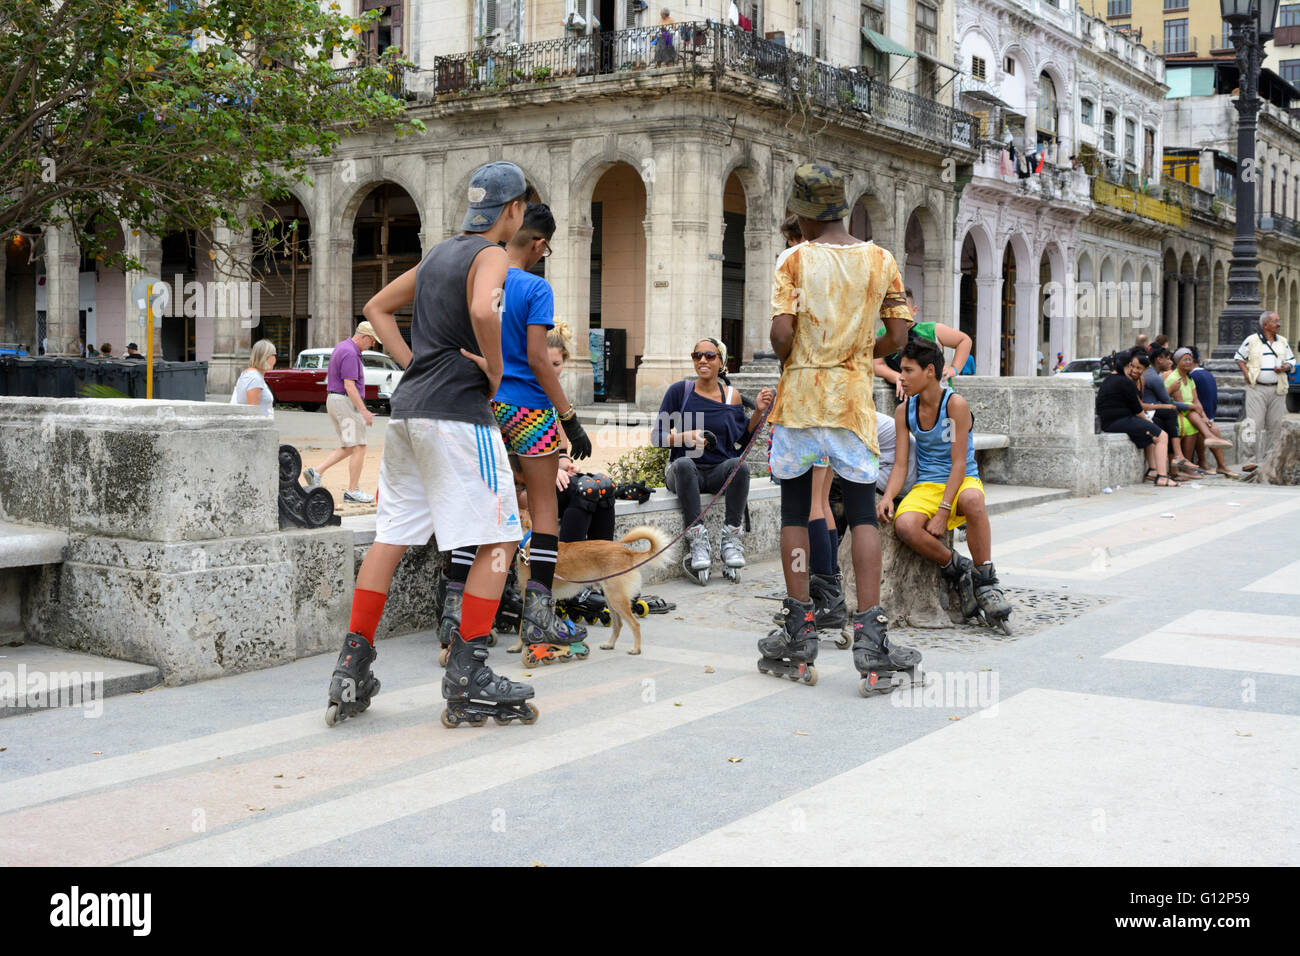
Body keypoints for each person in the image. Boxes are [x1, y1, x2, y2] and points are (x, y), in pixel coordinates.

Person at [325, 160, 537, 729]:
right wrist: (494, 368)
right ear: (513, 211)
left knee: (391, 536)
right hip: (459, 419)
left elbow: (375, 309)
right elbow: (480, 308)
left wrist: (416, 364)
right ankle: (469, 671)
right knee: (501, 536)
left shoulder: (441, 253)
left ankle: (352, 662)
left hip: (408, 416)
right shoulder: (491, 255)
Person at [758, 161, 918, 691]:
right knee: (864, 515)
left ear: (802, 214)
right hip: (851, 398)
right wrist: (860, 349)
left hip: (801, 399)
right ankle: (871, 636)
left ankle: (800, 629)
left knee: (795, 510)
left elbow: (782, 337)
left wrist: (800, 345)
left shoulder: (793, 259)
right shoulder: (880, 259)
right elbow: (900, 330)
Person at [486, 202, 591, 666]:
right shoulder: (535, 287)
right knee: (544, 511)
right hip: (528, 408)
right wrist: (568, 416)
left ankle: (459, 621)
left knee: (489, 509)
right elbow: (536, 356)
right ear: (541, 244)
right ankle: (539, 622)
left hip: (485, 405)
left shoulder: (481, 279)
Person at [878, 339, 1012, 630]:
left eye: (907, 370)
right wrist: (888, 496)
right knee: (905, 526)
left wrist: (943, 511)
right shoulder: (905, 411)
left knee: (974, 501)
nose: (900, 377)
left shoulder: (955, 405)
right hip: (927, 484)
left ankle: (986, 580)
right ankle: (959, 568)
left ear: (929, 371)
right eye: (900, 370)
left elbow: (959, 463)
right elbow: (901, 464)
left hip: (961, 479)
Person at [652, 337, 772, 584]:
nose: (703, 360)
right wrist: (684, 437)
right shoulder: (680, 391)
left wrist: (758, 411)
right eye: (697, 355)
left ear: (721, 362)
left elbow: (742, 440)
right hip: (685, 474)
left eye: (710, 355)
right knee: (685, 464)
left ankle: (731, 539)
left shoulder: (731, 396)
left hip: (717, 472)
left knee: (739, 467)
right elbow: (658, 437)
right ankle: (697, 539)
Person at [304, 320, 381, 503]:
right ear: (363, 337)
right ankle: (352, 491)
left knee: (350, 445)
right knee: (359, 446)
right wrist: (363, 410)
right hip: (344, 402)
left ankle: (316, 471)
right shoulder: (350, 353)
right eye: (371, 341)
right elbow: (349, 385)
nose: (372, 345)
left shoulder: (343, 347)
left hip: (336, 400)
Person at [1096, 348, 1180, 487]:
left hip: (1109, 423)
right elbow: (1138, 409)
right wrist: (1147, 420)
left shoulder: (1108, 380)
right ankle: (1162, 477)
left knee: (1150, 435)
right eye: (1131, 366)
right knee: (1162, 436)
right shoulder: (1125, 382)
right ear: (1127, 366)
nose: (1133, 369)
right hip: (1119, 421)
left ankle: (1153, 471)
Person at [873, 291, 973, 399]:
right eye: (895, 311)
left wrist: (954, 368)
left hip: (939, 395)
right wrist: (897, 376)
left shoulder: (932, 329)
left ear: (914, 310)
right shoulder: (884, 333)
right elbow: (878, 365)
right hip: (908, 398)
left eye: (904, 310)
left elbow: (964, 340)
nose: (900, 315)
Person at [1235, 311, 1295, 463]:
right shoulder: (1252, 340)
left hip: (1278, 389)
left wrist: (1285, 367)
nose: (1279, 324)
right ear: (1265, 324)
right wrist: (1245, 373)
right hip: (1257, 388)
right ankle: (1248, 460)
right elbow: (1239, 358)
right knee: (1252, 424)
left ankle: (1270, 460)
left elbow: (1292, 361)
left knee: (1275, 426)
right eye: (1276, 321)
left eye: (1279, 321)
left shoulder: (1282, 341)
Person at [1164, 347, 1233, 475]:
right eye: (1185, 360)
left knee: (1213, 427)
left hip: (1191, 412)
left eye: (1190, 360)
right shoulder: (1174, 378)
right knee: (1191, 424)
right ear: (1177, 362)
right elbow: (1181, 404)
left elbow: (1196, 401)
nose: (1188, 362)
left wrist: (1204, 416)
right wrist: (1195, 409)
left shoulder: (1190, 379)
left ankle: (1222, 465)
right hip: (1177, 412)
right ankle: (1188, 466)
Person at [231, 339, 277, 418]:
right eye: (275, 355)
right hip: (259, 427)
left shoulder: (248, 374)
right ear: (267, 357)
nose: (276, 359)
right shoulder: (255, 378)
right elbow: (252, 412)